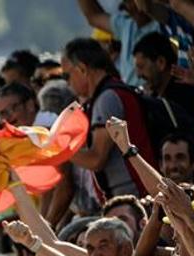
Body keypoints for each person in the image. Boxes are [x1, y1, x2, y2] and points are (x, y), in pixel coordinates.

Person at [63, 37, 149, 199]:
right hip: (132, 194)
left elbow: (96, 159)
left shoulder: (106, 99)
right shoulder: (110, 91)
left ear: (82, 69)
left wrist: (58, 149)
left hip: (132, 195)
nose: (67, 83)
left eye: (67, 76)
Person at [132, 31, 194, 120]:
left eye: (141, 67)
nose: (138, 75)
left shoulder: (183, 98)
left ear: (161, 63)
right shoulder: (156, 99)